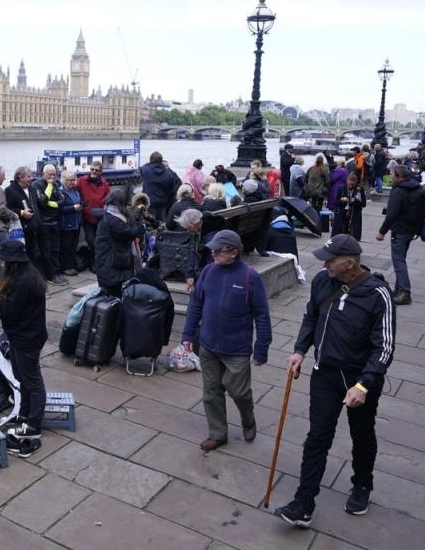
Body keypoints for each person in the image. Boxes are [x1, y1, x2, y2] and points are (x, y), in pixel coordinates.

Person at [274, 235, 395, 527]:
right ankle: (303, 504)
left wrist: (364, 385)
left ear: (350, 262)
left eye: (330, 260)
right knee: (317, 436)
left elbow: (385, 347)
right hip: (325, 373)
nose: (324, 264)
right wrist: (299, 350)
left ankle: (362, 484)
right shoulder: (321, 282)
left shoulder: (378, 294)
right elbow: (310, 317)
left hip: (359, 380)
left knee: (362, 434)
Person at [181, 230, 271, 452]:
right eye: (212, 250)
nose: (213, 254)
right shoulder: (208, 271)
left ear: (233, 252)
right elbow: (196, 305)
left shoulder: (251, 277)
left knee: (239, 392)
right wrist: (188, 334)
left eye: (218, 251)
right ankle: (218, 434)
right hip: (208, 345)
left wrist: (261, 348)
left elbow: (262, 315)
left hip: (237, 349)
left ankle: (248, 421)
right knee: (211, 393)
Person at [0, 241, 47, 458]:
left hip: (26, 339)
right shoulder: (28, 275)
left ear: (13, 263)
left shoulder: (23, 282)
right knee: (22, 376)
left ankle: (33, 426)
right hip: (25, 335)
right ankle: (24, 415)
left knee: (32, 380)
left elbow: (9, 311)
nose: (1, 263)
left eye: (3, 260)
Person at [376, 165, 425, 305]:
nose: (390, 176)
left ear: (398, 175)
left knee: (398, 260)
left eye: (391, 173)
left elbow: (391, 215)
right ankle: (398, 290)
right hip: (411, 229)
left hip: (400, 230)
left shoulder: (398, 191)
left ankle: (404, 292)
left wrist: (381, 232)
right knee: (401, 258)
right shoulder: (415, 187)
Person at [94, 188, 145, 297]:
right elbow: (131, 232)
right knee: (112, 293)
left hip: (108, 259)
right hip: (109, 261)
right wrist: (138, 224)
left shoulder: (110, 213)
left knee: (113, 291)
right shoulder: (114, 219)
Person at [33, 164, 66, 285]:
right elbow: (41, 203)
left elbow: (62, 201)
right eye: (50, 174)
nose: (52, 177)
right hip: (44, 223)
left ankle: (57, 272)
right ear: (43, 173)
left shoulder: (57, 184)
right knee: (47, 250)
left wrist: (51, 203)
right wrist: (50, 186)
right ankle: (50, 275)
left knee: (56, 249)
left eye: (54, 174)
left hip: (55, 221)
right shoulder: (37, 185)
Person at [75, 161, 110, 265]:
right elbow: (71, 188)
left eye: (96, 170)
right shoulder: (82, 181)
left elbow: (108, 199)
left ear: (101, 172)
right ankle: (94, 261)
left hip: (100, 218)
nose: (94, 172)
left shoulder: (104, 184)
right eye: (92, 169)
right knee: (90, 240)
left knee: (99, 241)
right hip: (87, 217)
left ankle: (96, 262)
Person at [5, 166, 40, 264]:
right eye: (29, 176)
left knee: (34, 256)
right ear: (19, 177)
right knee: (22, 257)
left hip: (34, 228)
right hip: (21, 230)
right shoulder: (10, 190)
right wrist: (21, 212)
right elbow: (7, 209)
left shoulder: (32, 188)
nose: (31, 178)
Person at [139, 151, 182, 222]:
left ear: (150, 160)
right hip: (162, 203)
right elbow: (171, 187)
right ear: (161, 161)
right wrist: (166, 167)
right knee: (162, 223)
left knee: (149, 223)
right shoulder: (167, 173)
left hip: (149, 202)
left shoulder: (146, 170)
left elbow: (140, 168)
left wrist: (149, 163)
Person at [58, 172, 83, 276]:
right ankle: (65, 267)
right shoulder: (61, 192)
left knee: (73, 246)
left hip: (76, 222)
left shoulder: (75, 191)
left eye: (74, 180)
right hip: (66, 224)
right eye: (70, 180)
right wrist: (73, 208)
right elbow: (60, 208)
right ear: (64, 180)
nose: (73, 182)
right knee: (66, 247)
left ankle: (71, 265)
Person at [332, 172, 367, 241]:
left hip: (354, 214)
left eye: (352, 185)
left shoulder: (359, 189)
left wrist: (355, 201)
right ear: (347, 181)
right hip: (342, 214)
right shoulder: (342, 188)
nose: (350, 186)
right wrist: (342, 200)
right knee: (340, 232)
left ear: (356, 182)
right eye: (349, 184)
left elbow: (363, 204)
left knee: (352, 236)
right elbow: (335, 202)